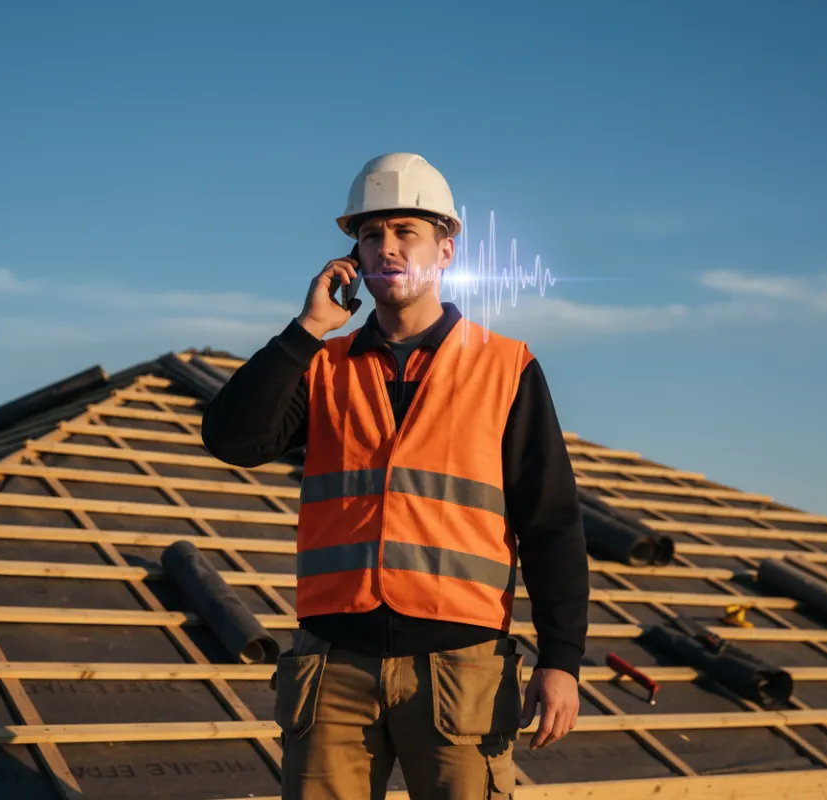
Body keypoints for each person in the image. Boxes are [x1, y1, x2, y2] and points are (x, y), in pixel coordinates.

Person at [201, 153, 589, 799]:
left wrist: (561, 661)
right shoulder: (323, 365)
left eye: (406, 231)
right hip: (332, 664)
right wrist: (306, 330)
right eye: (371, 234)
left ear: (445, 249)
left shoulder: (506, 368)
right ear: (353, 253)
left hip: (460, 667)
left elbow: (550, 523)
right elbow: (233, 440)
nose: (387, 248)